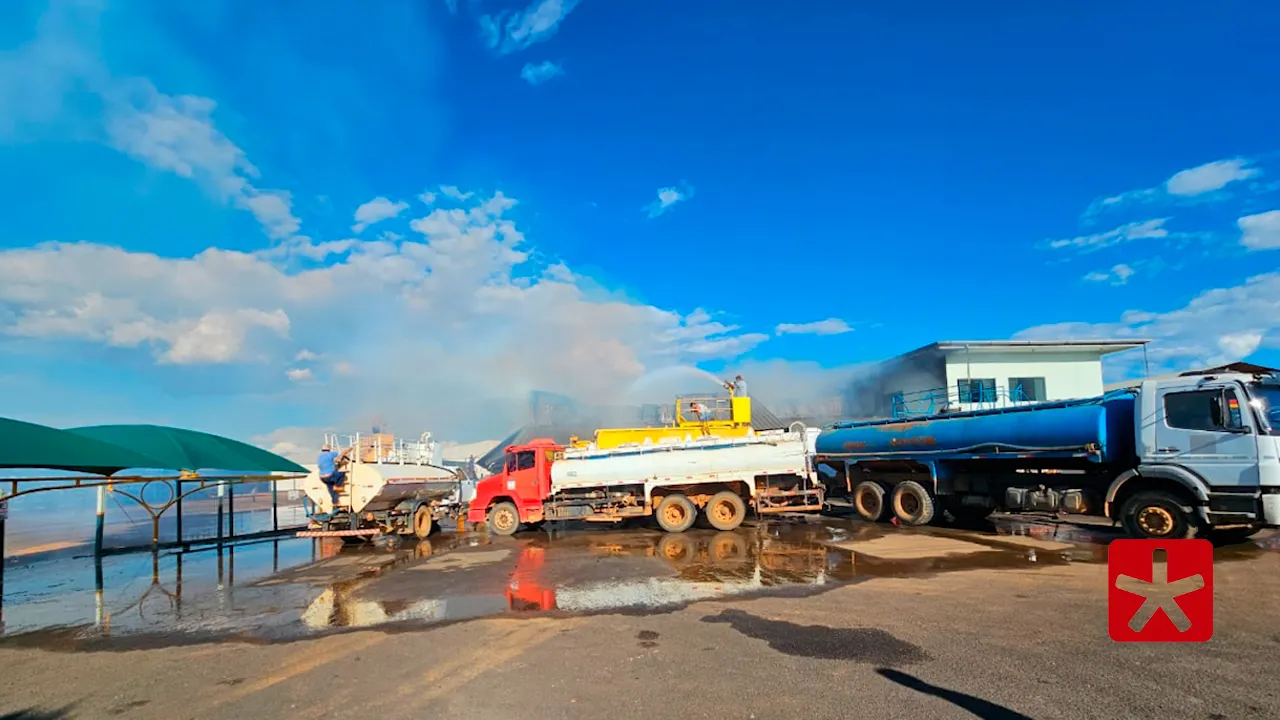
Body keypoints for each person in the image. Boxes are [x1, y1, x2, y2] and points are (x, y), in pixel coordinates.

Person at [317, 443, 349, 508]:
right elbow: (341, 455)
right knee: (342, 474)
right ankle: (338, 486)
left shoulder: (319, 457)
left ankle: (335, 502)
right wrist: (347, 450)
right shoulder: (331, 454)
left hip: (322, 478)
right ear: (329, 449)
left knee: (331, 489)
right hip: (330, 475)